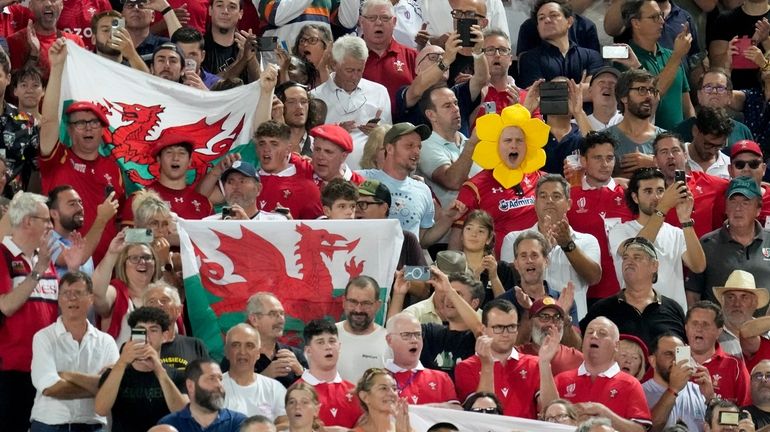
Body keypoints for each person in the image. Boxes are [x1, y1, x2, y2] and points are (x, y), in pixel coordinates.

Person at [41, 39, 126, 263]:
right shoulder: (57, 157)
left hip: (106, 270)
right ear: (69, 129)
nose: (88, 127)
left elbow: (120, 220)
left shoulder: (115, 167)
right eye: (80, 123)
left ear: (103, 130)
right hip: (63, 267)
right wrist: (57, 68)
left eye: (94, 122)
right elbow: (49, 120)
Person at [449, 103, 548, 256]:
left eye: (519, 141)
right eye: (508, 141)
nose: (514, 145)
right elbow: (457, 241)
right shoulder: (474, 187)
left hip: (539, 263)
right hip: (498, 270)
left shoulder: (543, 181)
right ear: (495, 145)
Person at [500, 174, 601, 319]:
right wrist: (543, 247)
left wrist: (567, 244)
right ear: (534, 203)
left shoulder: (586, 241)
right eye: (543, 196)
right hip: (527, 322)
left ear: (569, 204)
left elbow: (593, 278)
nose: (549, 201)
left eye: (556, 196)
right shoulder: (513, 239)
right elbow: (510, 281)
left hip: (572, 325)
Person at [29, 272, 119, 431]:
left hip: (92, 426)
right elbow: (50, 388)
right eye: (66, 293)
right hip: (49, 425)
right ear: (58, 299)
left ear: (91, 299)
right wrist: (99, 387)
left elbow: (115, 388)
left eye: (78, 293)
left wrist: (67, 375)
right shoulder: (43, 337)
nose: (71, 298)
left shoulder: (107, 342)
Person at [608, 167, 705, 313]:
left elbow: (698, 266)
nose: (656, 196)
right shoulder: (620, 231)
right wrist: (663, 206)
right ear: (635, 197)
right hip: (634, 314)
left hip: (672, 317)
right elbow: (638, 248)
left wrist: (685, 220)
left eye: (660, 191)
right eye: (648, 191)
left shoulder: (676, 233)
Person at [0, 192, 58, 432]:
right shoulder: (2, 254)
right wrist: (38, 271)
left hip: (45, 369)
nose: (50, 226)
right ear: (27, 221)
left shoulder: (42, 257)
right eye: (46, 220)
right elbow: (6, 305)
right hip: (11, 370)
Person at [358, 122, 462, 248]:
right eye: (409, 146)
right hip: (369, 262)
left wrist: (448, 219)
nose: (416, 152)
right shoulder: (360, 179)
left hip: (407, 265)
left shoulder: (423, 190)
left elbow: (422, 240)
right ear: (390, 149)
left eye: (419, 147)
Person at [540, 317, 653, 431]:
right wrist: (544, 362)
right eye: (589, 332)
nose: (594, 335)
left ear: (616, 346)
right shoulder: (562, 379)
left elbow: (640, 430)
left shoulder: (630, 384)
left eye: (602, 333)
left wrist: (603, 412)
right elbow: (547, 415)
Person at [94, 306, 188, 432]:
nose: (147, 337)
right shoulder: (115, 372)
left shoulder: (177, 375)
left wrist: (159, 371)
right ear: (132, 335)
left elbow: (183, 413)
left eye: (153, 330)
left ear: (164, 336)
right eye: (141, 331)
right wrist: (121, 363)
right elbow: (101, 409)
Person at [567, 131, 634, 306]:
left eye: (609, 158)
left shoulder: (630, 195)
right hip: (583, 291)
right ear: (583, 161)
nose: (605, 164)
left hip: (626, 290)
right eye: (597, 158)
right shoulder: (569, 198)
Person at [581, 236, 686, 348]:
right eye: (625, 258)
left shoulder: (673, 310)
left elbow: (685, 351)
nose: (629, 262)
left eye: (637, 257)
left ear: (654, 266)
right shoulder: (602, 309)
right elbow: (581, 345)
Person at [686, 177, 770, 310]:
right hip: (718, 329)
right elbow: (693, 293)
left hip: (764, 329)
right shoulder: (707, 244)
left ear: (758, 209)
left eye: (745, 202)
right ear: (725, 207)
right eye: (733, 201)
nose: (738, 208)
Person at [310, 34, 392, 169]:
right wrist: (334, 133)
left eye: (359, 70)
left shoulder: (379, 92)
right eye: (349, 70)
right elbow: (307, 142)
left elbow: (389, 140)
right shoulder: (315, 97)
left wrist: (378, 133)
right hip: (328, 175)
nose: (355, 76)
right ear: (334, 64)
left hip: (371, 175)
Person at [454, 299, 541, 419]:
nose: (505, 334)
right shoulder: (465, 367)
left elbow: (549, 410)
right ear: (484, 330)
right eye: (498, 327)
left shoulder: (534, 363)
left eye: (511, 327)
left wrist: (546, 363)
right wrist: (487, 366)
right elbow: (481, 414)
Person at [624, 0, 694, 130]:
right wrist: (677, 56)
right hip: (647, 142)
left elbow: (687, 105)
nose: (662, 21)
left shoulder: (671, 55)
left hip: (678, 143)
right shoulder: (626, 60)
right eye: (654, 17)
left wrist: (691, 134)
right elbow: (653, 94)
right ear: (636, 23)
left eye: (661, 15)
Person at [653, 133, 730, 239]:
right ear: (655, 161)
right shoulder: (648, 191)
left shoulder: (711, 184)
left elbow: (740, 188)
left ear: (685, 156)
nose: (670, 156)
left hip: (703, 253)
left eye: (675, 150)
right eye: (664, 152)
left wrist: (761, 185)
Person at [418, 85, 482, 212]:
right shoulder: (425, 146)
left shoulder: (471, 141)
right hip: (454, 225)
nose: (456, 109)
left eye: (456, 103)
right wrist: (472, 144)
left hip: (484, 219)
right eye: (447, 106)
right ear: (431, 115)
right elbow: (453, 181)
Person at [92, 231, 164, 344]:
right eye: (134, 258)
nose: (142, 262)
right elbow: (96, 294)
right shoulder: (117, 293)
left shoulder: (164, 296)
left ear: (155, 263)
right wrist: (112, 253)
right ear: (123, 264)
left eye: (147, 257)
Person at [225, 292, 307, 389]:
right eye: (273, 314)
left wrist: (301, 372)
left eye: (282, 314)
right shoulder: (236, 356)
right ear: (254, 319)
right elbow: (225, 396)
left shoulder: (295, 355)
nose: (281, 320)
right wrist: (263, 377)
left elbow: (318, 395)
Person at [517, 0, 603, 88]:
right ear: (538, 27)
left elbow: (596, 91)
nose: (547, 20)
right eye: (541, 18)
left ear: (569, 21)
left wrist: (551, 88)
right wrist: (581, 87)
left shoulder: (592, 56)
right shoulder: (529, 59)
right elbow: (534, 95)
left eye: (553, 15)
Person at [295, 319, 362, 428]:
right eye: (320, 342)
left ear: (339, 346)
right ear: (308, 351)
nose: (328, 347)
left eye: (332, 341)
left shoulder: (355, 392)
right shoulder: (295, 392)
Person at [252, 121, 323, 219]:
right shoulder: (245, 182)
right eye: (262, 143)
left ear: (288, 149)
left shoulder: (307, 188)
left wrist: (290, 226)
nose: (266, 149)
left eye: (274, 144)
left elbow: (316, 231)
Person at [685, 301, 751, 405]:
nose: (698, 329)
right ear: (686, 328)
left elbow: (745, 412)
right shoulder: (670, 359)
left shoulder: (735, 366)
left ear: (718, 332)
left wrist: (711, 398)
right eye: (694, 323)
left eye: (705, 325)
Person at [359, 0, 417, 118]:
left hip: (405, 127)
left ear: (394, 22)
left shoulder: (412, 56)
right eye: (372, 18)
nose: (378, 23)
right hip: (361, 128)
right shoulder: (349, 57)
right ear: (361, 22)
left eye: (385, 18)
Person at [642, 333, 711, 432]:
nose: (675, 359)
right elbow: (650, 429)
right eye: (669, 354)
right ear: (653, 361)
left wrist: (711, 398)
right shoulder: (641, 392)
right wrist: (673, 389)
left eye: (680, 353)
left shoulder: (699, 390)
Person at [384, 313, 458, 404]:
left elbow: (455, 412)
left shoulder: (441, 378)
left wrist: (429, 409)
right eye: (406, 335)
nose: (414, 340)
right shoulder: (376, 380)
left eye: (418, 334)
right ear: (389, 340)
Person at [222, 324, 287, 425]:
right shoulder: (213, 389)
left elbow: (287, 423)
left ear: (258, 353)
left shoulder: (275, 388)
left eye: (249, 346)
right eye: (236, 345)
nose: (242, 352)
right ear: (226, 351)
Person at [672, 69, 754, 149]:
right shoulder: (680, 131)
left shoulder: (743, 132)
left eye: (720, 88)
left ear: (729, 96)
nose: (714, 91)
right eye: (708, 87)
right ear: (699, 95)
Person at [48, 185, 118, 277]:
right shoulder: (47, 240)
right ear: (54, 213)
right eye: (72, 204)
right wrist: (102, 218)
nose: (80, 208)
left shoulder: (81, 243)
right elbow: (78, 258)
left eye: (80, 202)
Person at [158, 359, 247, 431]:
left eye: (220, 379)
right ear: (190, 386)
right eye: (211, 379)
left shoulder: (240, 424)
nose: (219, 385)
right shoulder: (169, 425)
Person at [605, 69, 664, 178]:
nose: (649, 96)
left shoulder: (665, 139)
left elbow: (683, 174)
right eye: (642, 90)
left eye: (652, 90)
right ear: (624, 97)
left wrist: (656, 163)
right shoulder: (605, 138)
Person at [7, 0, 85, 80]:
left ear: (61, 5)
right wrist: (33, 54)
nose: (48, 4)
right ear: (30, 6)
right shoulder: (14, 42)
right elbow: (12, 87)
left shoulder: (75, 42)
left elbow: (83, 83)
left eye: (53, 0)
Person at [142, 282, 210, 371]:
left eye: (164, 300)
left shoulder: (195, 346)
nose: (158, 304)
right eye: (152, 301)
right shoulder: (135, 347)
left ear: (179, 310)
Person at [336, 275, 388, 382]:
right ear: (344, 302)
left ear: (378, 305)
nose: (358, 310)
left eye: (366, 303)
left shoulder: (389, 340)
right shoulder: (327, 335)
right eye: (353, 302)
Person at [516, 297, 583, 375]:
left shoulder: (577, 359)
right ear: (530, 322)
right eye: (544, 317)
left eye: (557, 317)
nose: (551, 324)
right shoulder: (517, 356)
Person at [205, 160, 287, 221]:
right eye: (230, 182)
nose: (235, 186)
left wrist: (246, 225)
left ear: (258, 189)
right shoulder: (209, 223)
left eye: (242, 181)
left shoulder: (275, 222)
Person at [203, 0, 257, 83]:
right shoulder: (198, 47)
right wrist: (241, 61)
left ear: (240, 14)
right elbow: (209, 86)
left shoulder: (248, 45)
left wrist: (251, 58)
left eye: (232, 7)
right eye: (220, 5)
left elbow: (262, 85)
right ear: (210, 10)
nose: (225, 11)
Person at [352, 367, 413, 432]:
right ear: (365, 397)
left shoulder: (408, 429)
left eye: (394, 389)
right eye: (383, 388)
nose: (392, 393)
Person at [726, 141, 770, 228]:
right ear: (730, 170)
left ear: (764, 169)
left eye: (753, 164)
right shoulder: (719, 192)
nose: (746, 169)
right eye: (740, 165)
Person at [684, 107, 733, 179]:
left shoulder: (729, 166)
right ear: (695, 131)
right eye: (708, 144)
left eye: (719, 146)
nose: (712, 151)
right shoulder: (673, 159)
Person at [587, 67, 624, 131]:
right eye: (601, 82)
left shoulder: (631, 122)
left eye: (612, 83)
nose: (607, 86)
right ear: (590, 90)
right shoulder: (576, 125)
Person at [744, 360, 770, 429]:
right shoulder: (740, 415)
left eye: (769, 376)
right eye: (758, 376)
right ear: (750, 384)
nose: (763, 380)